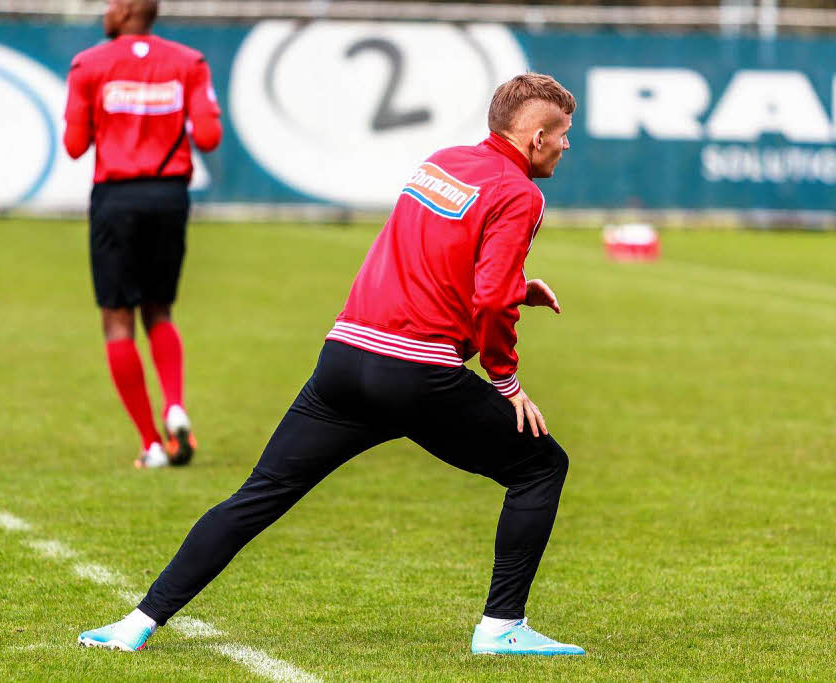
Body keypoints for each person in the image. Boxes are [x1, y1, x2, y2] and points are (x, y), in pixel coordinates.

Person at [78, 73, 584, 656]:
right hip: (416, 374)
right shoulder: (521, 193)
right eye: (564, 135)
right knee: (540, 467)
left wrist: (517, 289)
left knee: (260, 494)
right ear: (538, 136)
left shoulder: (442, 161)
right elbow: (488, 299)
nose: (567, 146)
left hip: (345, 359)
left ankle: (137, 622)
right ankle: (501, 629)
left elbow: (442, 262)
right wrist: (506, 381)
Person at [63, 0, 222, 468]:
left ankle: (151, 443)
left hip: (116, 200)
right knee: (160, 310)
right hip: (170, 198)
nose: (104, 11)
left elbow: (74, 146)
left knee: (117, 320)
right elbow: (209, 137)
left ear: (127, 9)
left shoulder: (89, 64)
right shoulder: (188, 62)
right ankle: (175, 404)